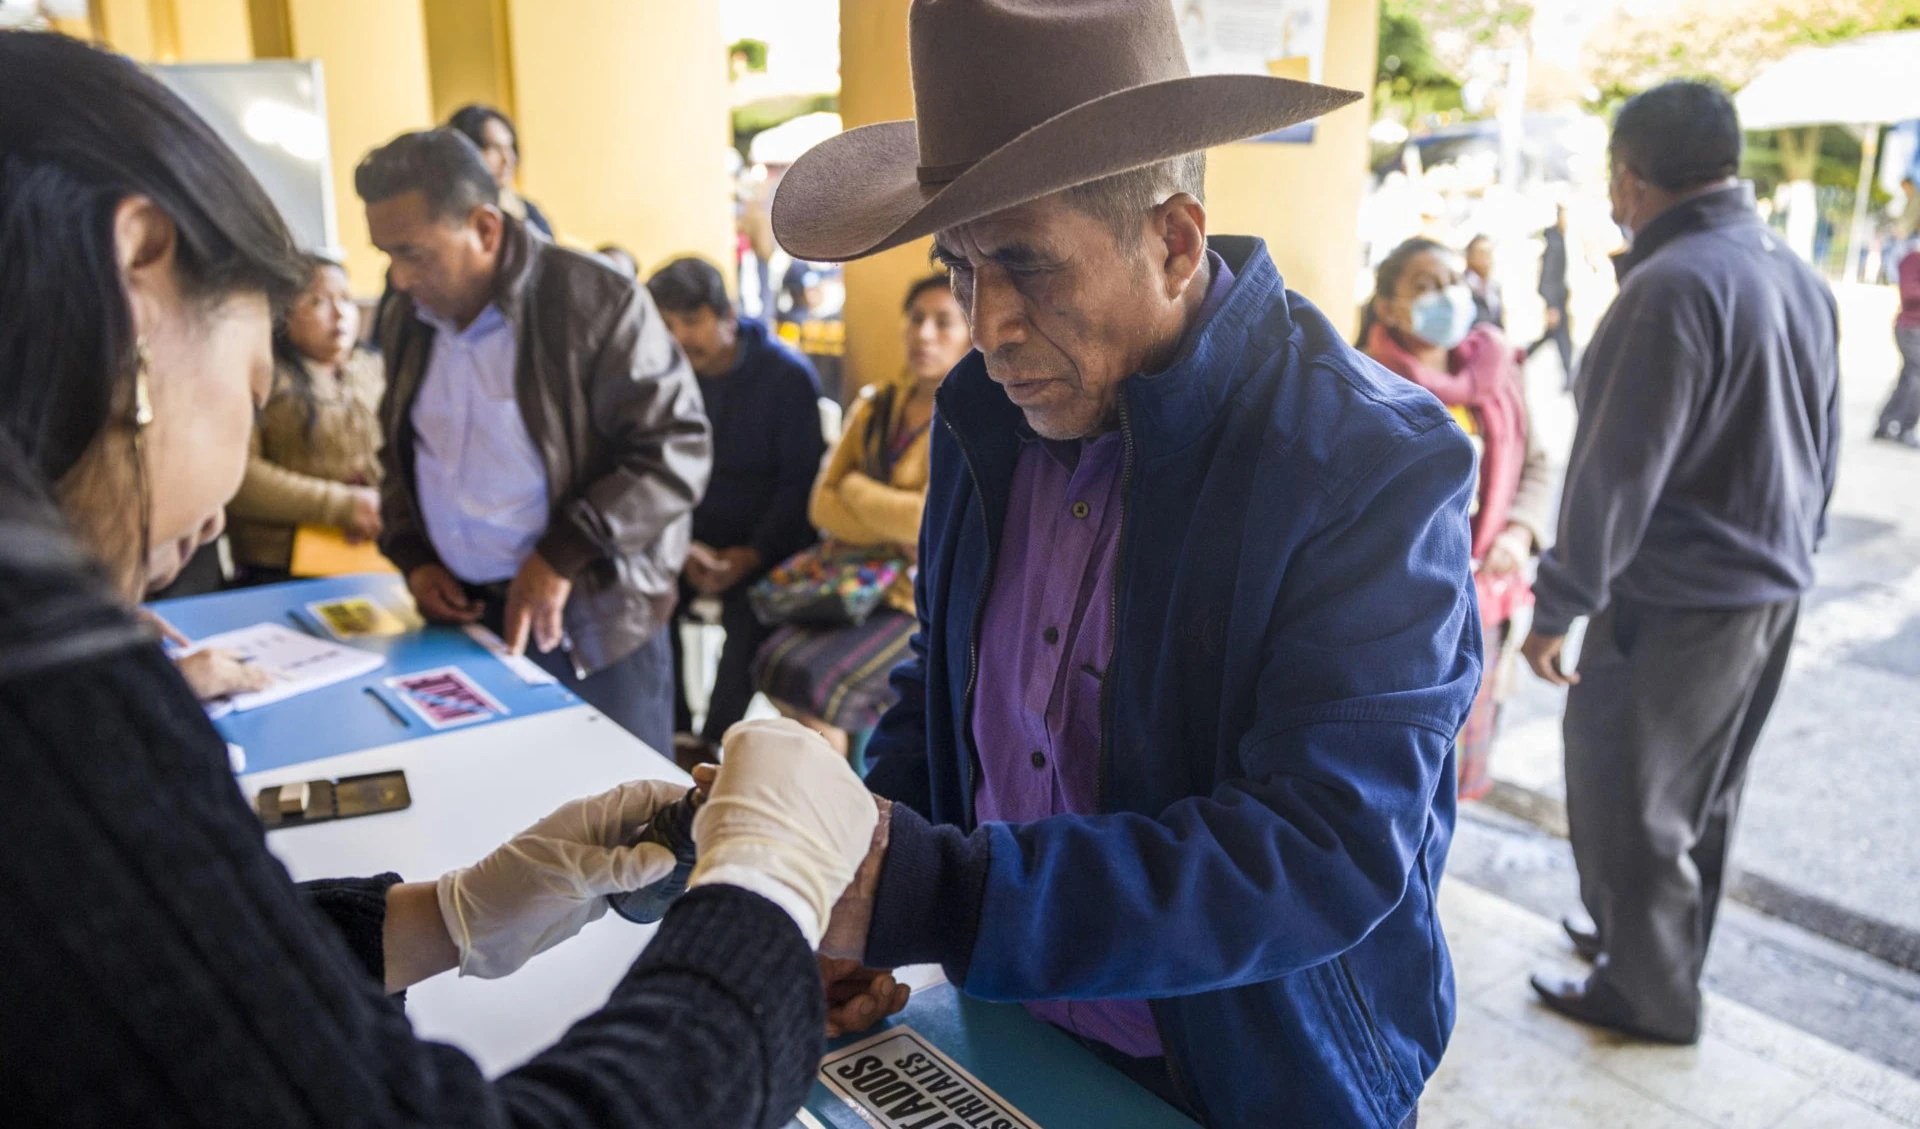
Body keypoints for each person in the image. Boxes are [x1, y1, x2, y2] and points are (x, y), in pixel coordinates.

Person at [0, 30, 877, 1128]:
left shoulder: (589, 301)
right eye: (252, 373)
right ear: (140, 272)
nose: (218, 503)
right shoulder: (53, 698)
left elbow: (181, 990)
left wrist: (445, 915)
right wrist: (764, 900)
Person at [770, 3, 1479, 1126]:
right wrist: (865, 884)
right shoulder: (982, 416)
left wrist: (928, 894)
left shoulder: (1365, 466)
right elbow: (944, 692)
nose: (986, 322)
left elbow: (1322, 846)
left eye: (1025, 264)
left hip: (1256, 1080)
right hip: (1005, 1031)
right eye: (957, 266)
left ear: (1175, 240)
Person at [1519, 81, 1840, 1045]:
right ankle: (1641, 944)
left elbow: (1613, 476)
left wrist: (1555, 607)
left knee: (1632, 798)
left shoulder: (1669, 287)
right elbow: (1822, 448)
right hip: (1767, 588)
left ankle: (1648, 993)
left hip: (1683, 597)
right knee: (1702, 795)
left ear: (1629, 177)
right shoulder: (1790, 266)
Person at [358, 129, 709, 754]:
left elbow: (675, 449)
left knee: (623, 832)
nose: (400, 277)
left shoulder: (596, 302)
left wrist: (564, 553)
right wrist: (413, 553)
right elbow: (399, 450)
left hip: (589, 621)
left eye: (413, 253)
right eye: (387, 255)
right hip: (464, 619)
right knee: (494, 823)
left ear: (485, 228)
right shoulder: (406, 317)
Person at [1360, 238, 1552, 801]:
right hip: (1392, 617)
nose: (1447, 295)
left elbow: (1536, 466)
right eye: (1424, 286)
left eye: (1453, 281)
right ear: (1389, 307)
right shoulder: (1362, 382)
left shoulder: (1498, 373)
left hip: (1482, 604)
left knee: (1456, 777)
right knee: (1393, 778)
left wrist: (1517, 532)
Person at [754, 275, 971, 756]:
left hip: (914, 599)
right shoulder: (875, 406)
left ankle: (846, 812)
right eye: (916, 319)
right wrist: (886, 520)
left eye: (943, 322)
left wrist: (855, 489)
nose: (925, 335)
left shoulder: (970, 419)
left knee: (815, 684)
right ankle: (832, 793)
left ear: (971, 333)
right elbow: (822, 506)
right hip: (855, 583)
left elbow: (928, 523)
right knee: (772, 659)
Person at [645, 256, 824, 755]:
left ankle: (712, 741)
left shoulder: (787, 377)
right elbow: (658, 471)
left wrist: (752, 552)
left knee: (749, 612)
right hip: (691, 536)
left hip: (770, 539)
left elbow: (799, 485)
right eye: (668, 326)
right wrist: (680, 544)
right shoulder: (666, 376)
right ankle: (673, 730)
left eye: (691, 321)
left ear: (725, 315)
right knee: (646, 585)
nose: (680, 338)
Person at [225, 253, 384, 583]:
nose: (340, 314)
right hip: (281, 570)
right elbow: (239, 478)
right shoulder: (260, 379)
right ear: (282, 313)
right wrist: (343, 506)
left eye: (346, 299)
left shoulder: (374, 369)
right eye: (318, 301)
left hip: (376, 558)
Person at [447, 103, 555, 240]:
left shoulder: (528, 213)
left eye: (510, 148)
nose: (508, 159)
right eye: (495, 149)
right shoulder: (448, 216)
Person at [1873, 237, 1920, 448]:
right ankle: (1903, 427)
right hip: (1911, 327)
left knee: (1908, 377)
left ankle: (1887, 424)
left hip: (1914, 327)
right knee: (1915, 378)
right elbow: (1908, 292)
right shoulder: (1912, 256)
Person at [1527, 204, 1574, 385]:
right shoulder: (1554, 243)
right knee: (1560, 338)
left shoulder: (1560, 238)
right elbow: (1548, 275)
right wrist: (1551, 305)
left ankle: (1569, 375)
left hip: (1561, 297)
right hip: (1556, 299)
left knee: (1557, 337)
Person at [1462, 233, 1504, 328]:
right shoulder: (1462, 284)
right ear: (1469, 256)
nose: (1486, 259)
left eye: (1489, 254)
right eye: (1481, 253)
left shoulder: (1494, 286)